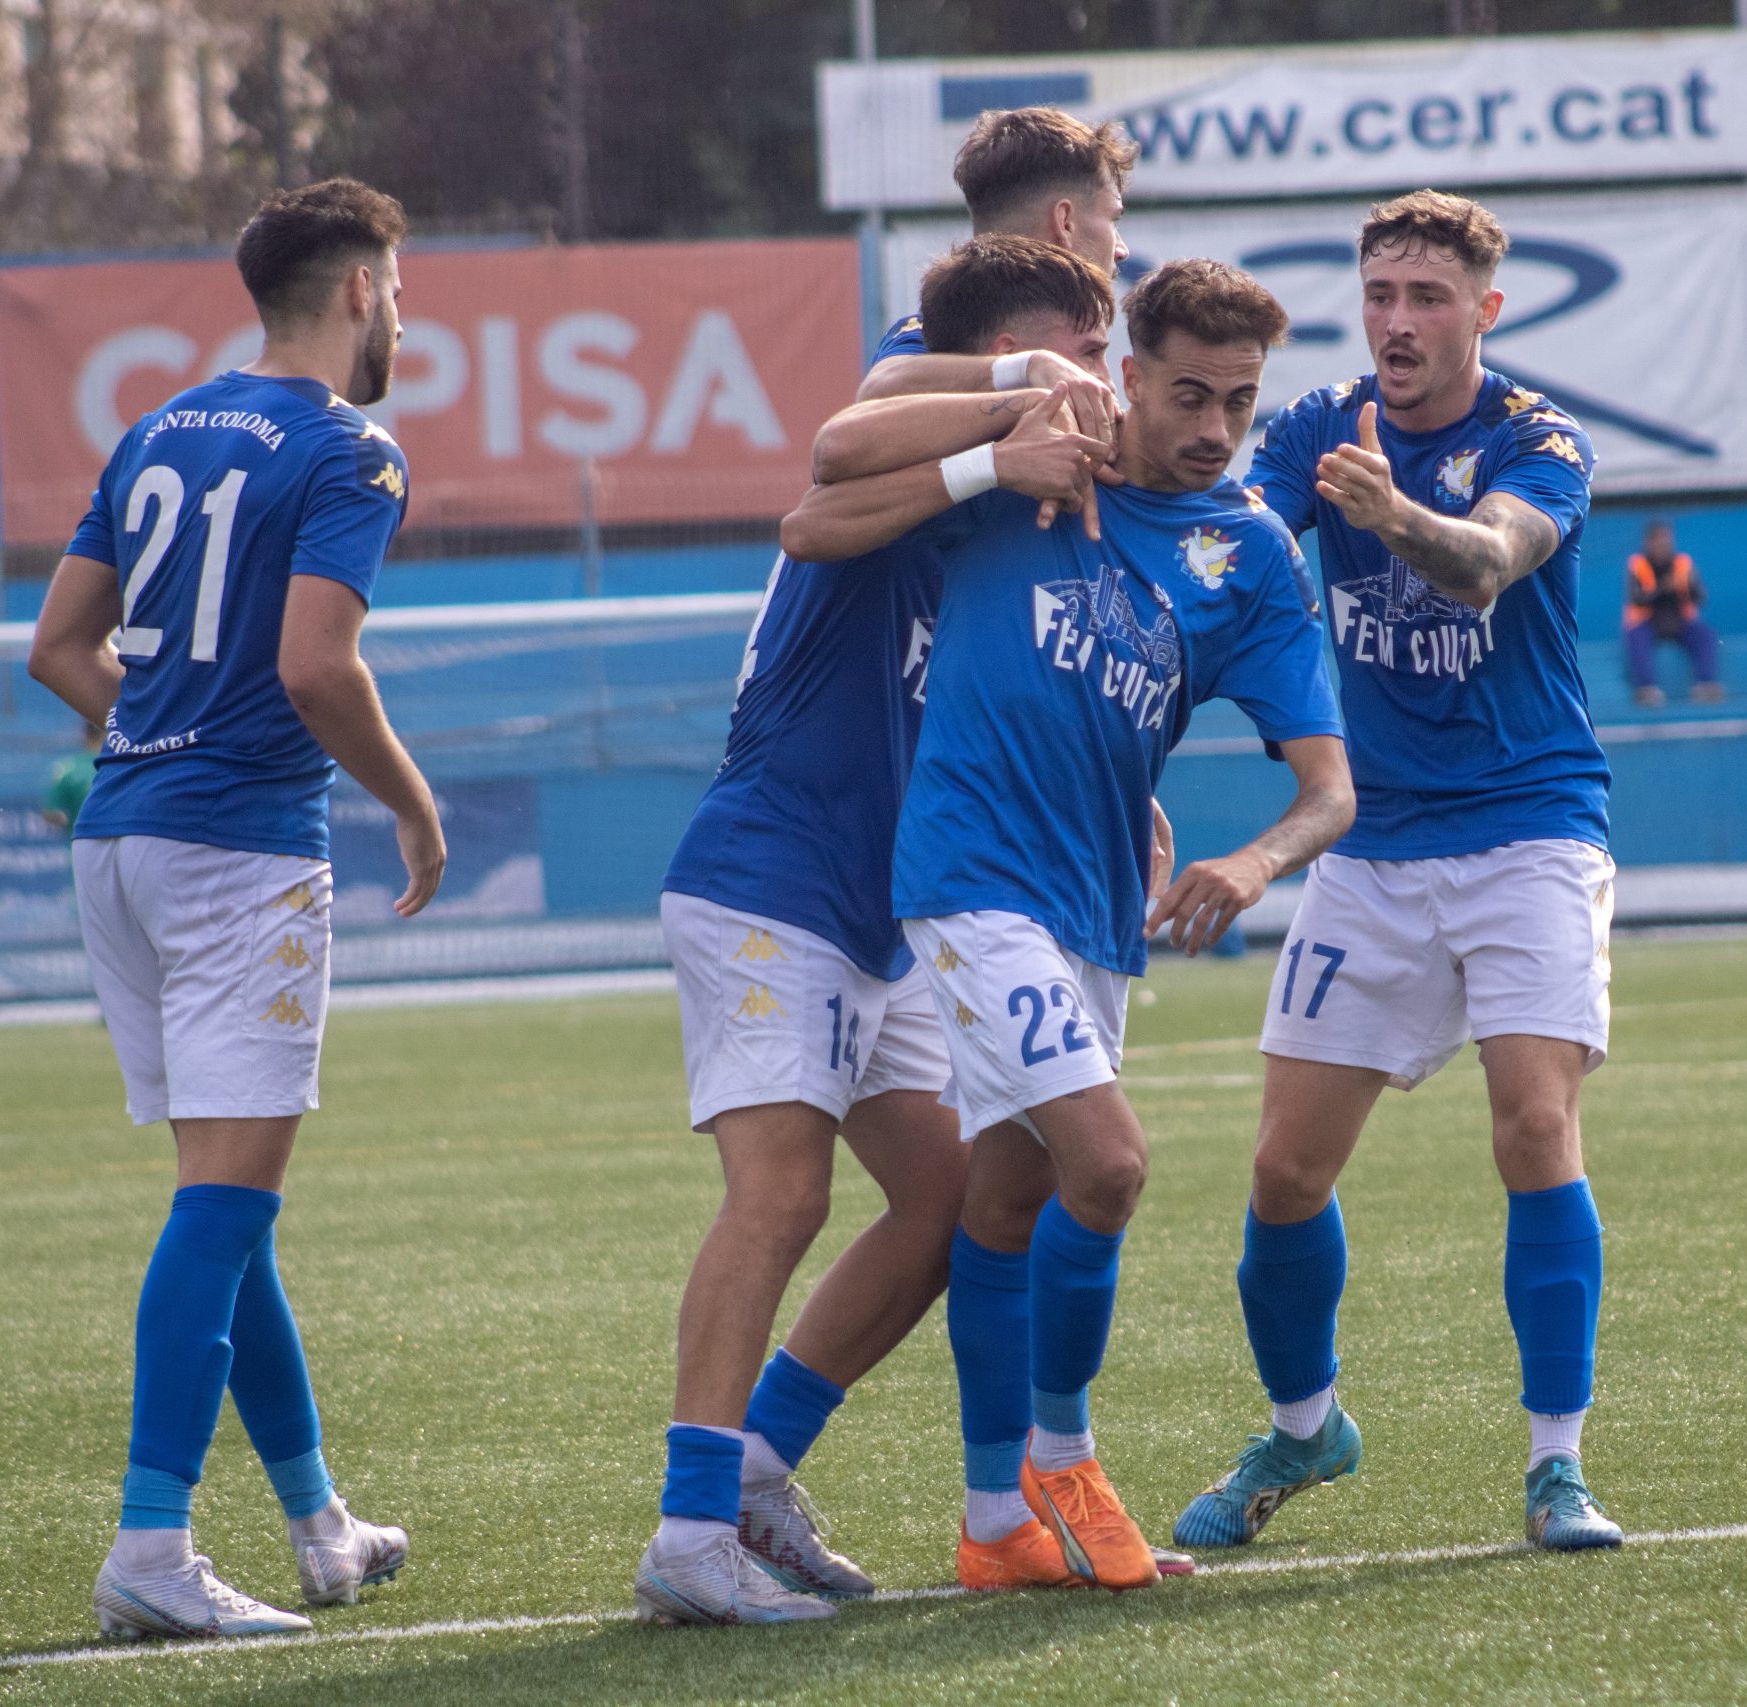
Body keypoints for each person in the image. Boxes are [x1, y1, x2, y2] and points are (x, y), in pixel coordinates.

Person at [784, 258, 1354, 1594]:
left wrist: (1254, 860)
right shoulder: (1046, 457)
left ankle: (988, 1523)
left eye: (1240, 402)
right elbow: (822, 492)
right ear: (1130, 376)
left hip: (1095, 909)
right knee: (1110, 1166)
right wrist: (999, 444)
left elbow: (1329, 788)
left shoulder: (1249, 555)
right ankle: (1062, 1455)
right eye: (1189, 394)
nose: (1215, 427)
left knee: (1008, 1196)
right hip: (969, 876)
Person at [634, 236, 1122, 1627]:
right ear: (1003, 352)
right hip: (771, 876)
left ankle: (755, 1469)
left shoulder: (1008, 497)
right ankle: (687, 1529)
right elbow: (819, 494)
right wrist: (999, 434)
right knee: (781, 1194)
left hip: (880, 907)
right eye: (1083, 348)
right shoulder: (920, 420)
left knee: (951, 1202)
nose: (1100, 376)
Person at [1173, 189, 1627, 1558]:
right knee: (1284, 1169)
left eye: (1428, 297)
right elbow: (1227, 558)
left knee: (1533, 1125)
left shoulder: (1539, 438)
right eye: (1380, 294)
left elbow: (1490, 561)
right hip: (1370, 846)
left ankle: (1556, 1465)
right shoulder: (1316, 428)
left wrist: (1398, 516)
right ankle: (1305, 1427)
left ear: (1487, 309)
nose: (1399, 321)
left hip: (1529, 825)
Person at [25, 178, 442, 1641]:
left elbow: (57, 647)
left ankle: (321, 1525)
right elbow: (319, 668)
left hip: (122, 842)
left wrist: (157, 734)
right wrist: (412, 802)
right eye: (400, 291)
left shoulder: (157, 426)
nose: (404, 319)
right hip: (237, 853)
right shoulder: (351, 449)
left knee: (226, 1198)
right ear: (358, 291)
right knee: (224, 1203)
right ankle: (151, 1544)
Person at [859, 105, 1135, 449]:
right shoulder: (941, 335)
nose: (1121, 249)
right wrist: (1028, 368)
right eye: (1113, 219)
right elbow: (877, 390)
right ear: (1065, 222)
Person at [1624, 521, 1721, 706]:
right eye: (1658, 541)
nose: (1663, 545)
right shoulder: (1638, 564)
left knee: (1705, 635)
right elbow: (1637, 598)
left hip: (1678, 620)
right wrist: (1664, 588)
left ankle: (1706, 684)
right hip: (1648, 621)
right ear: (1649, 542)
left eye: (1666, 540)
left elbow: (1700, 596)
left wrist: (1687, 588)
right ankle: (1646, 689)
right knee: (1636, 637)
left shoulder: (1682, 563)